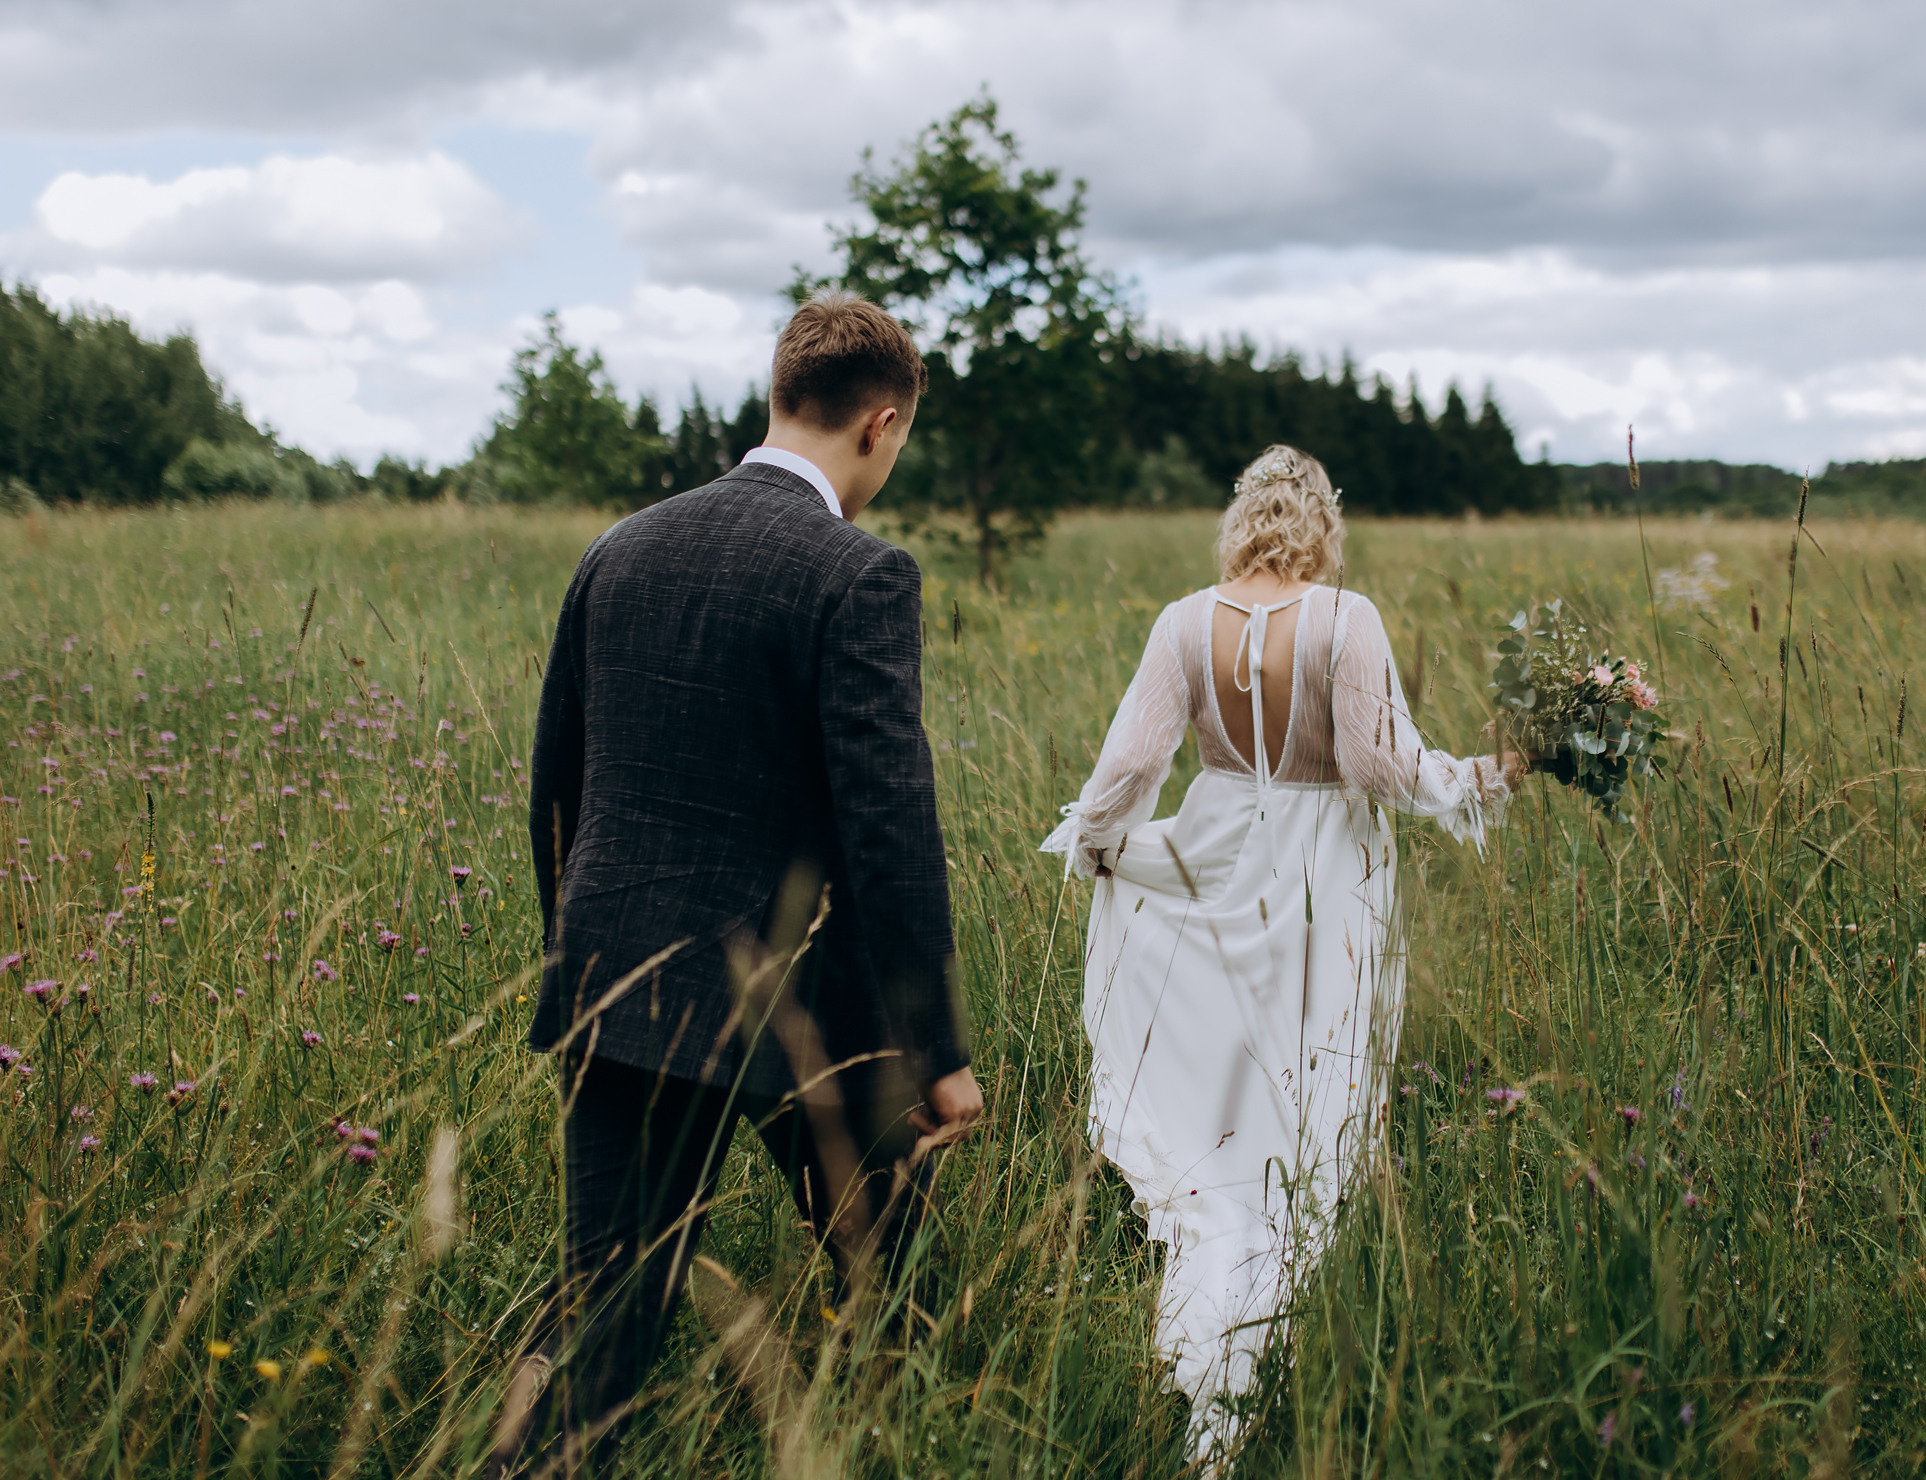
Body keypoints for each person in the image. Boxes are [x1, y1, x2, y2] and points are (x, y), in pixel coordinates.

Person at [491, 294, 983, 1475]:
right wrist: (937, 1049)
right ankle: (891, 1452)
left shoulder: (622, 546)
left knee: (606, 1318)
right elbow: (891, 832)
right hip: (802, 1016)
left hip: (618, 984)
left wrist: (586, 956)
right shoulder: (858, 574)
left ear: (778, 396)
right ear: (881, 424)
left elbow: (557, 785)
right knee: (899, 1288)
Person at [1040, 445, 1518, 1467]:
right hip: (1320, 874)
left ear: (1241, 523)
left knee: (1225, 1095)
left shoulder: (1182, 621)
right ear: (1321, 528)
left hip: (1212, 857)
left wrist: (1096, 844)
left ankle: (1213, 1313)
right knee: (1308, 1087)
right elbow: (1376, 766)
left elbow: (1132, 762)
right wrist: (1483, 776)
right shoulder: (1349, 620)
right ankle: (1269, 1310)